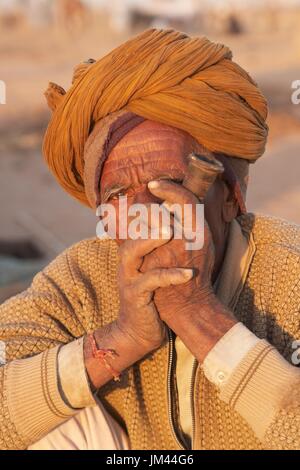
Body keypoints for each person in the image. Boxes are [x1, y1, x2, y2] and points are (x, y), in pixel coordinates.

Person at [0, 29, 299, 450]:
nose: (147, 214)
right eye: (119, 196)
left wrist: (198, 315)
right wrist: (123, 338)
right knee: (45, 407)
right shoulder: (82, 278)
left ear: (231, 199)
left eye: (170, 182)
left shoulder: (288, 272)